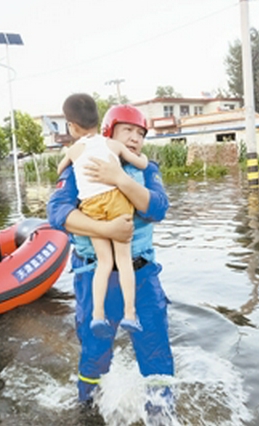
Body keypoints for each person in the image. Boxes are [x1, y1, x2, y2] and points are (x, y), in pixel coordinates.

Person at [47, 105, 174, 409]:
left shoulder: (146, 169)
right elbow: (58, 213)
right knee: (94, 351)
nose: (135, 138)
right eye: (128, 130)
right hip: (95, 275)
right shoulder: (81, 166)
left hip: (141, 275)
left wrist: (119, 178)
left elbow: (157, 207)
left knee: (156, 351)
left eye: (141, 133)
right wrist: (107, 228)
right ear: (109, 132)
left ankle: (161, 414)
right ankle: (87, 406)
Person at [57, 93, 148, 338]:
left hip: (90, 206)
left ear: (72, 126)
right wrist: (144, 159)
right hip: (116, 201)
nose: (134, 137)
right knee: (124, 260)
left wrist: (72, 160)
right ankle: (130, 314)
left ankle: (98, 315)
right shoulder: (112, 145)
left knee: (104, 263)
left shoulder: (74, 149)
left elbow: (60, 168)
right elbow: (139, 163)